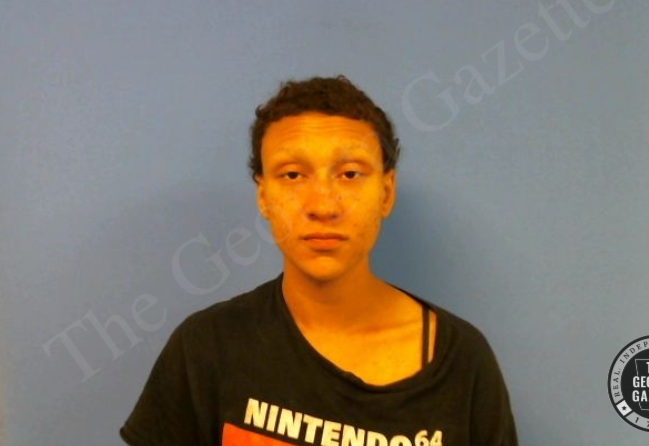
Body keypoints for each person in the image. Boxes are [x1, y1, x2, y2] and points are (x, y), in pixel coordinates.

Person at [120, 76, 517, 445]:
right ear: (263, 196)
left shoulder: (464, 362)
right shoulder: (207, 348)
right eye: (293, 175)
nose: (323, 206)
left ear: (386, 192)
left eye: (350, 174)